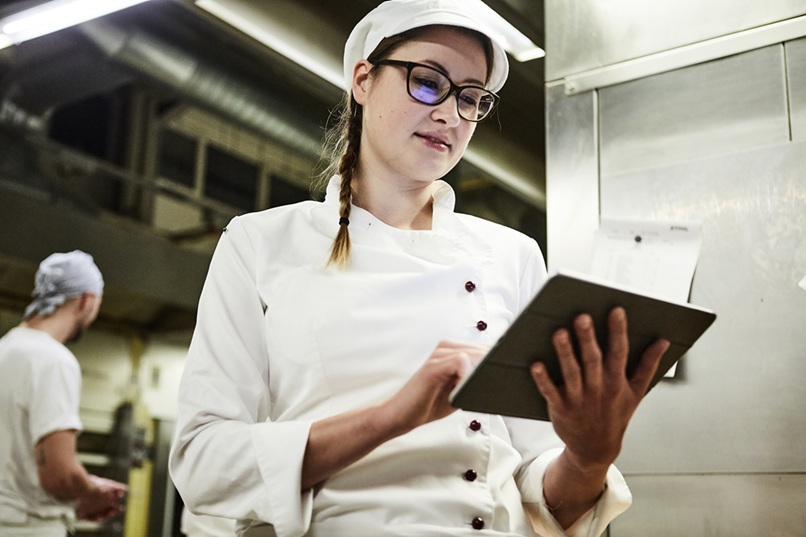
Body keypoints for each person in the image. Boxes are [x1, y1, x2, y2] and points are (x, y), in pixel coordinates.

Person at [169, 1, 670, 536]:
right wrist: (392, 416)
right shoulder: (262, 242)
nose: (451, 115)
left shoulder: (512, 254)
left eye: (472, 98)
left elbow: (542, 486)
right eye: (428, 83)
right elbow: (204, 464)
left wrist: (590, 456)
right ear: (363, 79)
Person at [0, 251, 127, 536]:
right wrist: (92, 493)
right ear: (86, 300)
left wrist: (82, 480)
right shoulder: (53, 359)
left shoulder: (5, 349)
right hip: (30, 527)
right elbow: (58, 476)